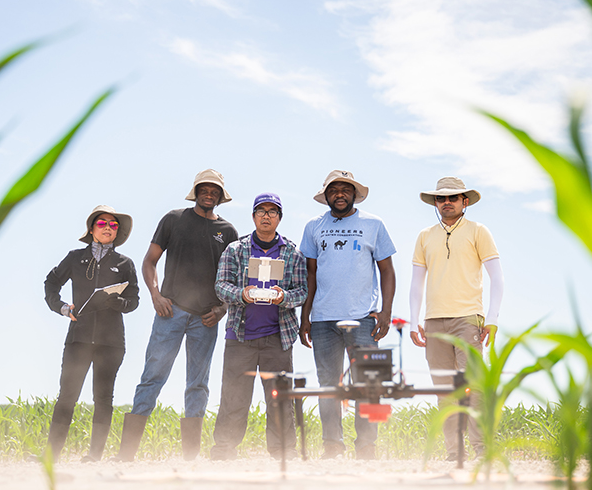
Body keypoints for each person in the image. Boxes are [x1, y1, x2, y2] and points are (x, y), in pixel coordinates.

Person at [115, 169, 238, 461]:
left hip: (206, 319)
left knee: (198, 383)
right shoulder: (173, 219)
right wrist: (156, 295)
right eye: (204, 189)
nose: (209, 194)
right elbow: (149, 261)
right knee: (152, 376)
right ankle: (126, 454)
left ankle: (190, 458)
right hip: (170, 313)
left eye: (215, 191)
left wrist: (222, 309)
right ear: (196, 191)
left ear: (221, 196)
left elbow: (233, 277)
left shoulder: (228, 232)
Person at [299, 171, 396, 460]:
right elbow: (311, 274)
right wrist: (305, 316)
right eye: (333, 190)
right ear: (326, 196)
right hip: (323, 320)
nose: (339, 194)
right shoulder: (313, 226)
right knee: (328, 385)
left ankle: (367, 447)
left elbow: (387, 270)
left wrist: (386, 312)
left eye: (345, 189)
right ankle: (332, 446)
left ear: (354, 194)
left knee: (370, 384)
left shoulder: (373, 224)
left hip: (364, 318)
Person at [408, 176, 503, 460]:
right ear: (435, 203)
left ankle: (481, 448)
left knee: (474, 386)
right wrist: (414, 321)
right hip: (434, 321)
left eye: (453, 198)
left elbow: (497, 278)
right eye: (441, 198)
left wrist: (492, 318)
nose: (446, 202)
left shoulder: (478, 231)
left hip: (468, 318)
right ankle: (454, 452)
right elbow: (416, 283)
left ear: (465, 201)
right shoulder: (425, 236)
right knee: (444, 389)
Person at [210, 193, 307, 460]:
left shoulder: (292, 253)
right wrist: (241, 294)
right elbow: (221, 286)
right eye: (261, 211)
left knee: (280, 396)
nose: (266, 216)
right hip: (240, 335)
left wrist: (283, 297)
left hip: (278, 336)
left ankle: (283, 450)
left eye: (272, 211)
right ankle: (224, 448)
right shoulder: (235, 250)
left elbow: (302, 291)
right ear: (253, 216)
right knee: (234, 395)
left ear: (279, 218)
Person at [43, 205, 140, 462]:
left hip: (111, 343)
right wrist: (62, 308)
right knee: (67, 396)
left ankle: (94, 456)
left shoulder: (125, 263)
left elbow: (134, 301)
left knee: (103, 398)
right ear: (91, 229)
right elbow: (51, 283)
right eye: (102, 223)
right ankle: (50, 456)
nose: (108, 227)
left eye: (113, 224)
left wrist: (119, 303)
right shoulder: (75, 258)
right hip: (79, 339)